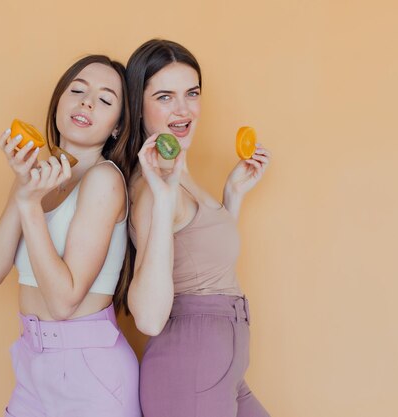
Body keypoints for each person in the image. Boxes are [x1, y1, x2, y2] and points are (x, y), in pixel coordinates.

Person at [0, 55, 141, 417]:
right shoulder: (35, 174)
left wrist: (31, 206)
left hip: (90, 375)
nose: (86, 102)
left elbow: (64, 302)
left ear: (117, 126)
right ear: (58, 103)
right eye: (78, 90)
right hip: (32, 368)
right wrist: (23, 192)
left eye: (104, 99)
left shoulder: (104, 180)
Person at [124, 39, 271, 417]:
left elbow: (201, 263)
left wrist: (232, 196)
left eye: (191, 93)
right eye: (165, 97)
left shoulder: (181, 178)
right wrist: (162, 195)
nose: (184, 109)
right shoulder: (152, 189)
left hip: (223, 364)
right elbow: (150, 317)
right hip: (192, 366)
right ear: (138, 106)